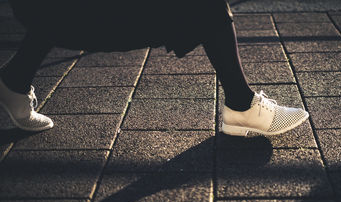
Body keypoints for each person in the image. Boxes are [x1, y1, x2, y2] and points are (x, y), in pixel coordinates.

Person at [0, 0, 308, 136]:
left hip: (42, 8)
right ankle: (241, 105)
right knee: (206, 5)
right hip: (75, 14)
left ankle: (14, 81)